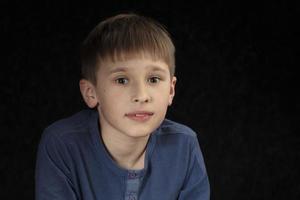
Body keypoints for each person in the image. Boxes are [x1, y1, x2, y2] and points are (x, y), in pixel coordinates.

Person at [35, 13, 210, 200]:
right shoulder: (62, 144)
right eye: (121, 80)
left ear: (171, 90)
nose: (141, 96)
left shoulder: (184, 145)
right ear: (91, 93)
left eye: (153, 79)